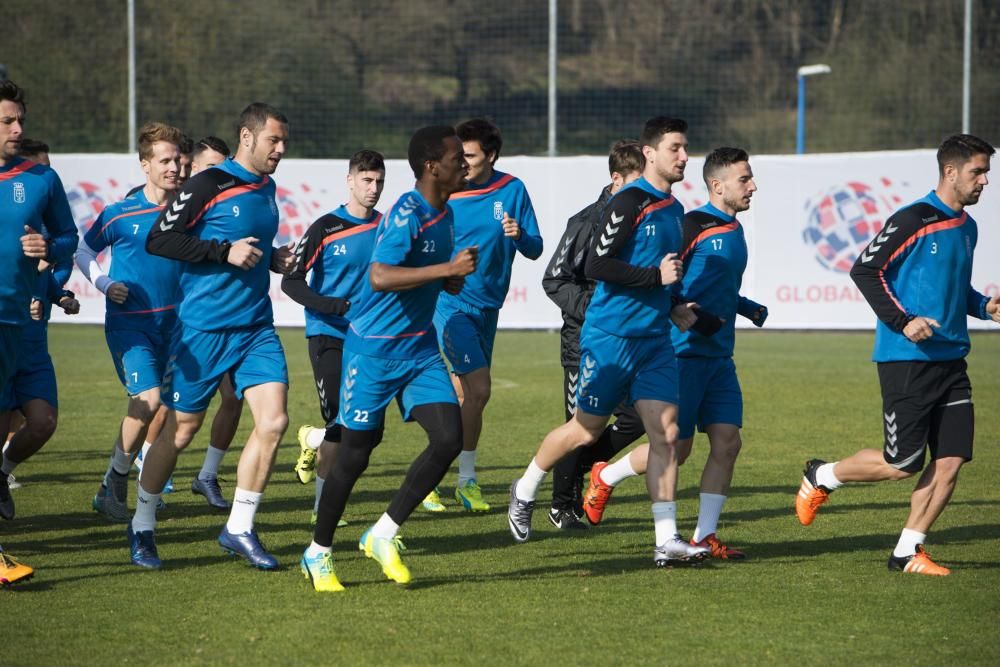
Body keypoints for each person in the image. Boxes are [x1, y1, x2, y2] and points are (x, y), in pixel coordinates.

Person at [506, 116, 711, 568]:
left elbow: (665, 272)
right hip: (609, 339)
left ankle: (666, 540)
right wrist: (653, 278)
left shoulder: (675, 210)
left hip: (654, 341)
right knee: (585, 431)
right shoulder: (629, 201)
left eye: (686, 147)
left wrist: (673, 302)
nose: (684, 157)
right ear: (650, 153)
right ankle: (524, 488)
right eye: (675, 148)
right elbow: (599, 266)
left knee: (668, 435)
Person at [796, 134, 999, 576]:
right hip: (907, 359)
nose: (985, 181)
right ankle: (823, 475)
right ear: (950, 172)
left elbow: (952, 288)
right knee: (902, 465)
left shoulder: (968, 226)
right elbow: (866, 268)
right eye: (977, 172)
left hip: (952, 361)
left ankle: (908, 551)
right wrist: (903, 319)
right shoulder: (914, 218)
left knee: (950, 461)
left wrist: (983, 306)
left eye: (987, 172)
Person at [300, 126, 476, 592]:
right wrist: (446, 270)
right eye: (458, 157)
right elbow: (379, 275)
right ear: (432, 166)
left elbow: (424, 278)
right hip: (373, 351)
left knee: (449, 437)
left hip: (418, 349)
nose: (466, 163)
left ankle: (382, 533)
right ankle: (317, 552)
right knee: (355, 455)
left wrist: (448, 282)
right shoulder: (406, 211)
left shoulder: (446, 213)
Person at [578, 147, 769, 560]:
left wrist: (743, 305)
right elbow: (665, 283)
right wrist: (691, 318)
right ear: (717, 186)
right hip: (681, 353)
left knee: (728, 442)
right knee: (677, 449)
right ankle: (605, 475)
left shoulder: (733, 230)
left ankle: (704, 536)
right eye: (744, 179)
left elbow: (712, 286)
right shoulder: (691, 226)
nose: (752, 186)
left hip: (719, 357)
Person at [130, 103, 295, 570]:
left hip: (255, 328)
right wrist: (223, 251)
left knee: (274, 422)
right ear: (247, 136)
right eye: (274, 141)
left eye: (284, 142)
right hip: (203, 329)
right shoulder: (208, 183)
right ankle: (142, 525)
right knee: (181, 431)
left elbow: (251, 249)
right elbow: (160, 239)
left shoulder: (267, 186)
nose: (280, 150)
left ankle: (239, 528)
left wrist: (273, 260)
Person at [428, 117, 543, 513]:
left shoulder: (512, 190)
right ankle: (466, 480)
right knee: (479, 390)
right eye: (458, 155)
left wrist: (519, 235)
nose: (462, 162)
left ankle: (437, 477)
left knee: (463, 396)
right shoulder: (444, 191)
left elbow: (536, 248)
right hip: (450, 304)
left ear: (491, 155)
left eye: (470, 156)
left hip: (488, 308)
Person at [75, 122, 186, 523]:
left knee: (168, 412)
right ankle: (120, 479)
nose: (173, 167)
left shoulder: (190, 213)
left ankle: (112, 485)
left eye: (177, 159)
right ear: (145, 165)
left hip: (177, 329)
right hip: (129, 325)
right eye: (164, 160)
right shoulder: (121, 213)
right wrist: (105, 283)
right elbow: (84, 249)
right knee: (148, 400)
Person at [541, 139, 647, 530]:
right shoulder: (586, 221)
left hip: (627, 342)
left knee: (637, 418)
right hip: (582, 344)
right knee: (579, 426)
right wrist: (595, 310)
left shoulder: (644, 220)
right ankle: (560, 504)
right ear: (616, 180)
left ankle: (580, 471)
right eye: (638, 182)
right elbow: (553, 279)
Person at [0, 80, 78, 586]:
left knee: (43, 421)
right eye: (8, 121)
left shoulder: (41, 178)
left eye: (19, 120)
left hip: (23, 328)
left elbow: (68, 237)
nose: (19, 129)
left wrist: (48, 246)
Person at [136, 134, 239, 511]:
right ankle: (146, 470)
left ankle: (207, 476)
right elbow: (157, 244)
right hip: (182, 319)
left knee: (234, 398)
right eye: (213, 169)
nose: (222, 176)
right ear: (193, 169)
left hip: (224, 318)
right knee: (168, 408)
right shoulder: (183, 206)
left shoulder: (228, 202)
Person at [284, 149, 386, 526]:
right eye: (366, 180)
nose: (373, 188)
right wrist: (330, 306)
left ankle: (312, 439)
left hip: (371, 340)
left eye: (378, 181)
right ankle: (321, 507)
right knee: (343, 427)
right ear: (349, 180)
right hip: (328, 335)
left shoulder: (387, 227)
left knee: (371, 433)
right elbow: (291, 282)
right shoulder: (325, 227)